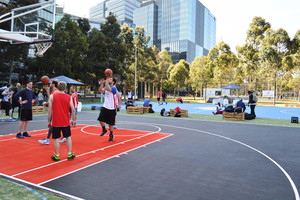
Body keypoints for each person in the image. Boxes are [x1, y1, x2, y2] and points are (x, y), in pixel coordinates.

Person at [48, 81, 76, 162]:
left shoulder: (52, 96)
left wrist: (49, 121)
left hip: (56, 121)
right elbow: (73, 110)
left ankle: (57, 156)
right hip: (65, 121)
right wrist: (73, 120)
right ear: (65, 88)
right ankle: (70, 154)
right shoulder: (69, 97)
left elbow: (49, 110)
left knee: (56, 138)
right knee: (68, 137)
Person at [39, 80, 59, 144]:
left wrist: (47, 103)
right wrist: (47, 91)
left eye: (50, 83)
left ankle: (48, 139)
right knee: (53, 125)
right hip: (54, 109)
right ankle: (48, 138)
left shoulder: (56, 91)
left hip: (55, 110)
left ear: (53, 85)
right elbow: (51, 98)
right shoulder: (54, 91)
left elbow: (53, 100)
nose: (50, 84)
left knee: (52, 124)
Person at [98, 76, 117, 142]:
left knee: (110, 123)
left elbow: (108, 88)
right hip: (105, 106)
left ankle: (111, 135)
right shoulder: (106, 87)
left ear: (113, 82)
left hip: (111, 108)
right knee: (100, 119)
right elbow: (100, 91)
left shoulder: (114, 88)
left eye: (110, 79)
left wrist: (106, 81)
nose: (109, 80)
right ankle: (104, 129)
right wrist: (102, 84)